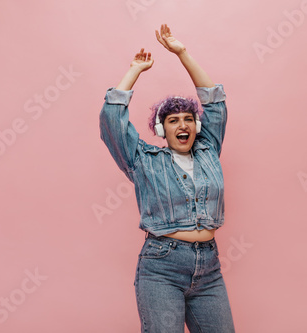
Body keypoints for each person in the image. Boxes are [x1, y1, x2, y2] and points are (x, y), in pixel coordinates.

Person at [99, 24, 235, 333]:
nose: (182, 124)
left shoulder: (208, 150)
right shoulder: (144, 160)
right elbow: (112, 120)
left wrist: (182, 53)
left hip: (209, 268)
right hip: (161, 268)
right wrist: (134, 70)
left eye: (188, 119)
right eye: (173, 120)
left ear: (196, 127)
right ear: (162, 130)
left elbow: (215, 103)